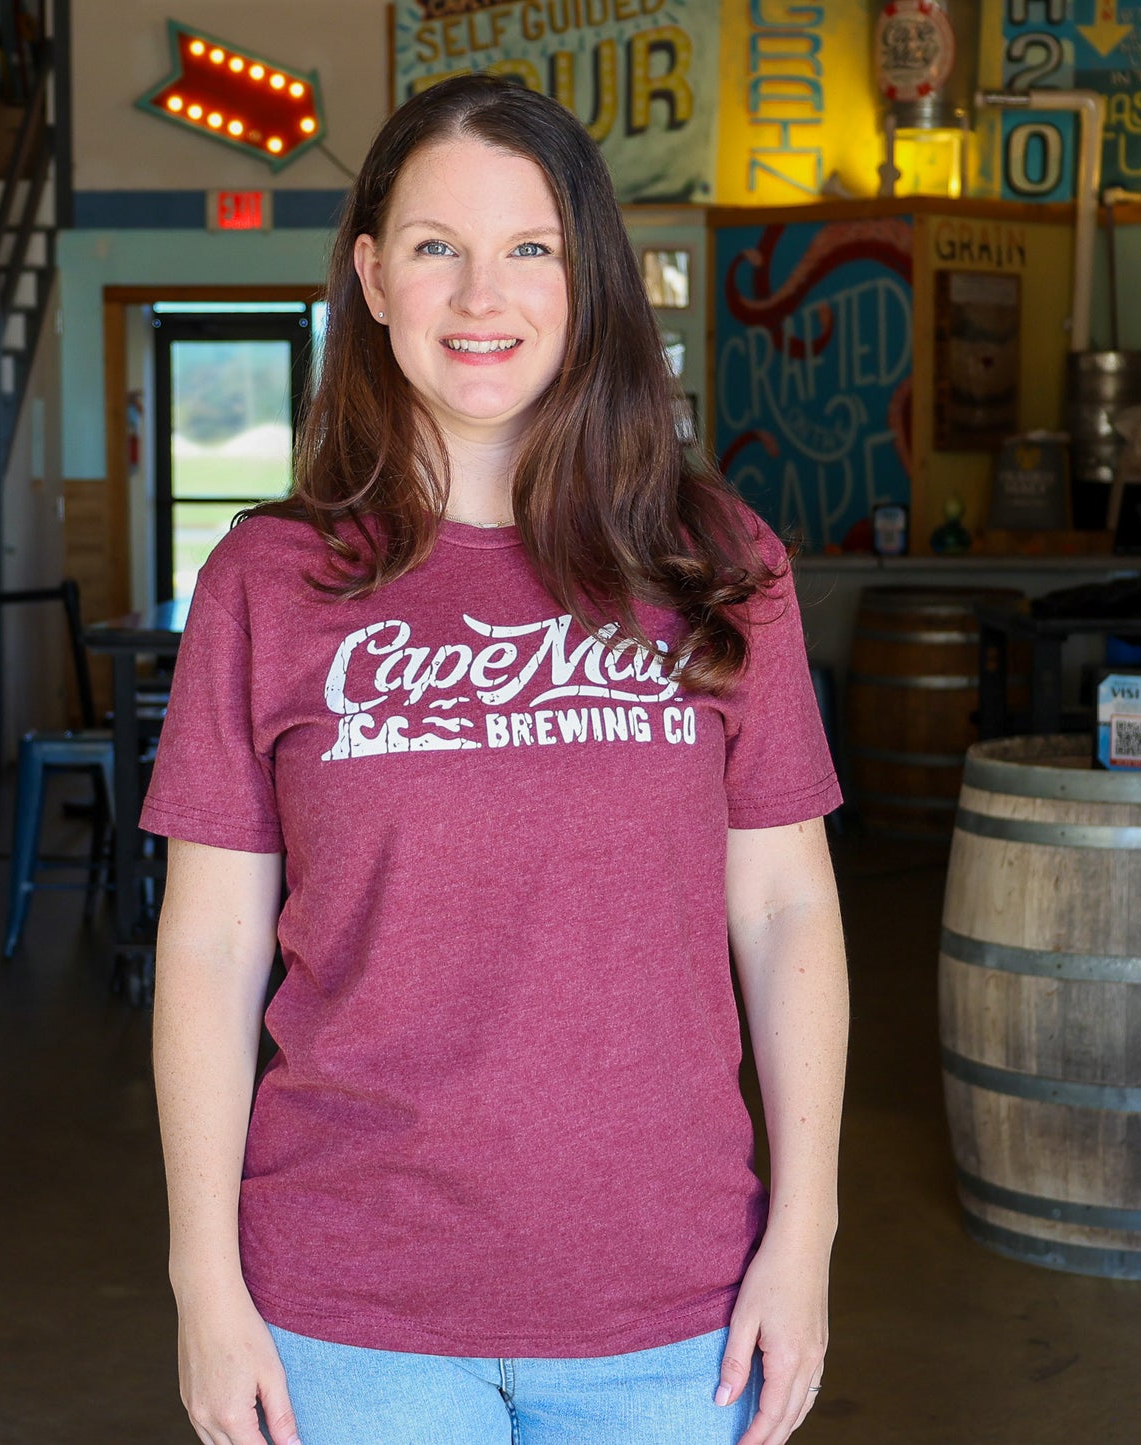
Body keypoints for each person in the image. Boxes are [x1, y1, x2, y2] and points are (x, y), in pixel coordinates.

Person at [143, 73, 849, 1445]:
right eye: (433, 248)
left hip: (670, 1306)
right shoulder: (266, 580)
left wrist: (805, 1232)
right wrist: (201, 1280)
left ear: (588, 279)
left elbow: (782, 908)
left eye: (529, 248)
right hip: (345, 1312)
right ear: (370, 276)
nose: (482, 296)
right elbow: (212, 945)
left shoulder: (715, 559)